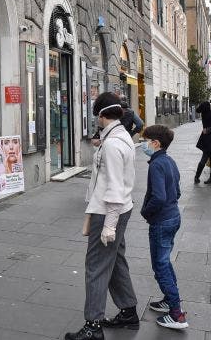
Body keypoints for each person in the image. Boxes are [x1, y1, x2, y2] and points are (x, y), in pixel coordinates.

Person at [65, 92, 138, 340]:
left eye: (97, 114)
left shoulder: (113, 144)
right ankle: (128, 310)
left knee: (95, 266)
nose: (96, 118)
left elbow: (115, 188)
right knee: (115, 260)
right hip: (118, 209)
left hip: (107, 212)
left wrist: (109, 225)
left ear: (102, 115)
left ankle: (93, 326)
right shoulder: (120, 137)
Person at [140, 125, 188, 329]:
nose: (143, 144)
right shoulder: (169, 160)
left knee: (160, 266)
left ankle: (177, 314)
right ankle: (169, 300)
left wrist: (146, 212)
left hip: (161, 221)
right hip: (173, 217)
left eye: (145, 140)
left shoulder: (156, 165)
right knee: (164, 262)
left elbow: (158, 196)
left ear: (155, 143)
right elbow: (176, 192)